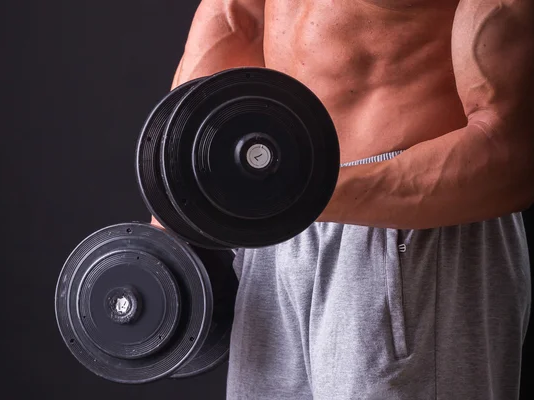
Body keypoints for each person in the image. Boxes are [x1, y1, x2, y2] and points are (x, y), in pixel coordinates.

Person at [151, 0, 534, 398]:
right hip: (273, 216)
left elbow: (508, 149)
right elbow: (235, 17)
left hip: (405, 223)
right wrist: (175, 208)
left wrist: (297, 197)